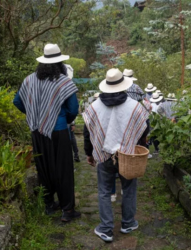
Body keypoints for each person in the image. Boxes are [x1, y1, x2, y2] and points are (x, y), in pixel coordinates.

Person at [13, 44, 81, 222]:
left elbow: (17, 101)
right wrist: (64, 118)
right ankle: (67, 210)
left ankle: (49, 204)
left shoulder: (29, 80)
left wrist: (33, 115)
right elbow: (73, 109)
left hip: (37, 131)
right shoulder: (64, 82)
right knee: (63, 169)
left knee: (44, 168)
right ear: (60, 63)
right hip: (58, 131)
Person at [83, 68, 149, 242]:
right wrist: (137, 145)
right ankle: (127, 223)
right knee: (129, 188)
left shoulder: (93, 107)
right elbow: (144, 128)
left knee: (104, 191)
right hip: (128, 155)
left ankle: (106, 229)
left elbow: (87, 131)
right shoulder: (135, 106)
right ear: (123, 86)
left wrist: (89, 153)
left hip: (104, 155)